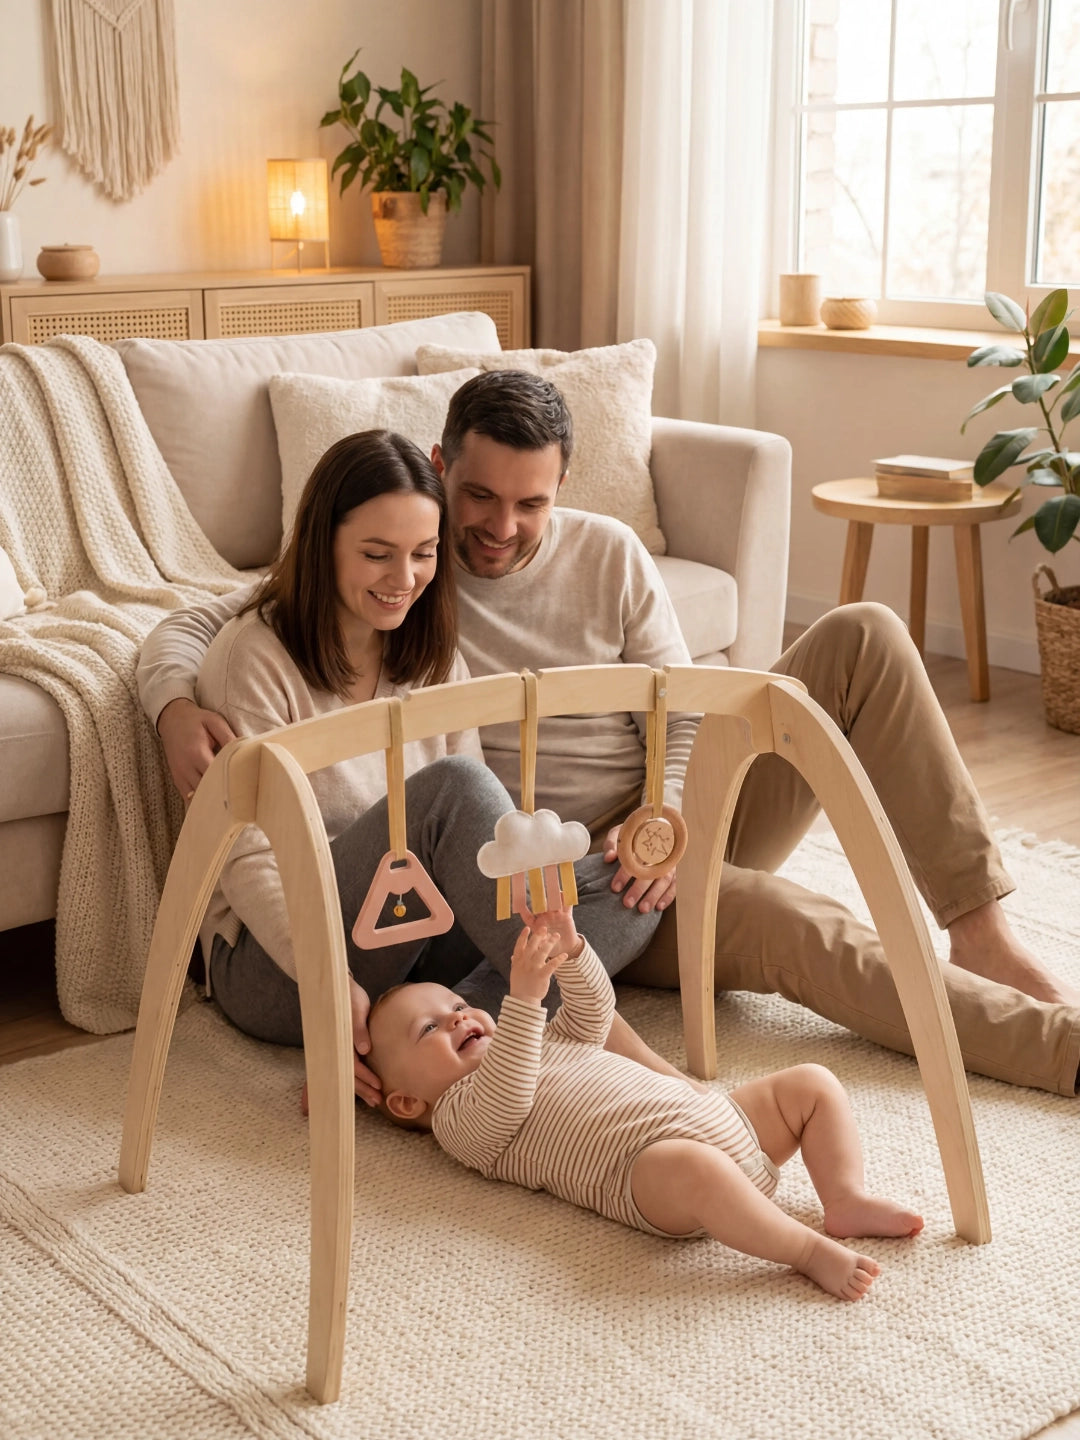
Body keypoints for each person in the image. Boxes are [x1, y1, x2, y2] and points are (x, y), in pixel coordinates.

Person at [137, 373, 1080, 1099]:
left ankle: (983, 931)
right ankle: (1059, 1054)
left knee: (864, 633)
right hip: (538, 874)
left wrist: (668, 810)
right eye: (478, 498)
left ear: (561, 489)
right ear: (438, 470)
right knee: (803, 929)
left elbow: (683, 705)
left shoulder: (592, 557)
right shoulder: (404, 571)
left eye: (531, 503)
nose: (500, 528)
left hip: (645, 836)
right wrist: (176, 702)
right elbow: (215, 621)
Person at [187, 425, 694, 1103]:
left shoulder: (433, 655)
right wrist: (326, 979)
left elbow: (484, 855)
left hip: (413, 937)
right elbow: (247, 858)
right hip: (284, 960)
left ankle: (438, 1040)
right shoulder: (252, 658)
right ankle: (654, 1075)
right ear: (322, 544)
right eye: (376, 554)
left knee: (623, 884)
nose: (404, 580)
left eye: (423, 554)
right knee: (449, 792)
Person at [365, 907, 924, 1302]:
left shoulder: (543, 1038)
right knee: (697, 1168)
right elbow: (507, 1091)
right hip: (649, 1176)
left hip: (722, 1123)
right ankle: (805, 1251)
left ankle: (845, 1198)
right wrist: (524, 1001)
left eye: (460, 1004)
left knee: (812, 1083)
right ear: (409, 1100)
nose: (461, 1017)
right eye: (430, 1028)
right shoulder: (460, 1120)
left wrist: (573, 950)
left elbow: (592, 1014)